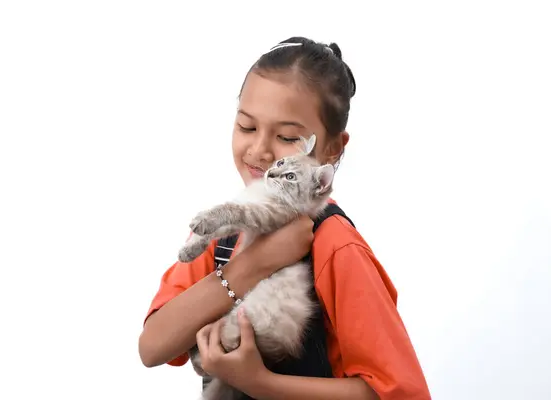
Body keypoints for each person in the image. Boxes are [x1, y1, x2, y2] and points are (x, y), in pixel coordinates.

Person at [139, 36, 431, 400]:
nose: (260, 151)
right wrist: (254, 264)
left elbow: (398, 393)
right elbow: (152, 347)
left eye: (287, 137)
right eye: (247, 127)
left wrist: (261, 383)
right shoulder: (223, 233)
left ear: (332, 149)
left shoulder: (337, 247)